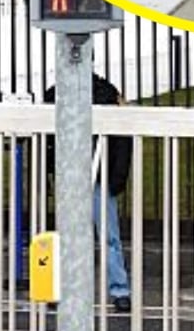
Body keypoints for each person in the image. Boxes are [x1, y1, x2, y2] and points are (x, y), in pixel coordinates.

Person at [43, 73, 136, 313]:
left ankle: (67, 289)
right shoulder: (106, 91)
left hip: (87, 174)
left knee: (80, 235)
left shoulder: (59, 92)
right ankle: (118, 291)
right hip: (86, 174)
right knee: (103, 236)